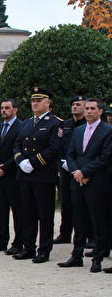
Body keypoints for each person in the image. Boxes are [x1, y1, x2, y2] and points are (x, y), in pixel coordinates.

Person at [58, 99, 112, 273]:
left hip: (96, 182)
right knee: (78, 220)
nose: (88, 111)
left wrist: (85, 172)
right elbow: (70, 154)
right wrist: (76, 172)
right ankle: (76, 255)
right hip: (77, 181)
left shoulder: (108, 131)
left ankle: (97, 258)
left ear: (100, 111)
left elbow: (104, 158)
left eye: (92, 109)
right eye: (87, 108)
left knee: (98, 221)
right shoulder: (79, 130)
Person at [12, 87, 63, 263]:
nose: (35, 103)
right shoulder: (26, 123)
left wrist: (32, 163)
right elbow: (17, 144)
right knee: (27, 213)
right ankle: (28, 247)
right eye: (33, 101)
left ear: (48, 102)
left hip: (43, 175)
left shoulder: (55, 123)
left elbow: (53, 148)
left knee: (45, 214)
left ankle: (44, 249)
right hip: (25, 175)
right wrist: (20, 162)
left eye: (39, 100)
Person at [0, 99, 23, 254]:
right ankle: (1, 240)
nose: (3, 111)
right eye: (2, 108)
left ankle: (18, 242)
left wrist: (5, 168)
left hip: (13, 175)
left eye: (7, 108)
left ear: (15, 110)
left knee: (17, 211)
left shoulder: (21, 127)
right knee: (1, 211)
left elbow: (19, 151)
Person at [55, 96, 87, 244]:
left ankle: (89, 235)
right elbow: (59, 145)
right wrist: (63, 162)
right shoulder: (65, 125)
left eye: (78, 104)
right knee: (66, 202)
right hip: (66, 169)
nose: (74, 107)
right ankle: (65, 233)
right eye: (73, 104)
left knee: (85, 203)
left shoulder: (89, 124)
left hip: (83, 170)